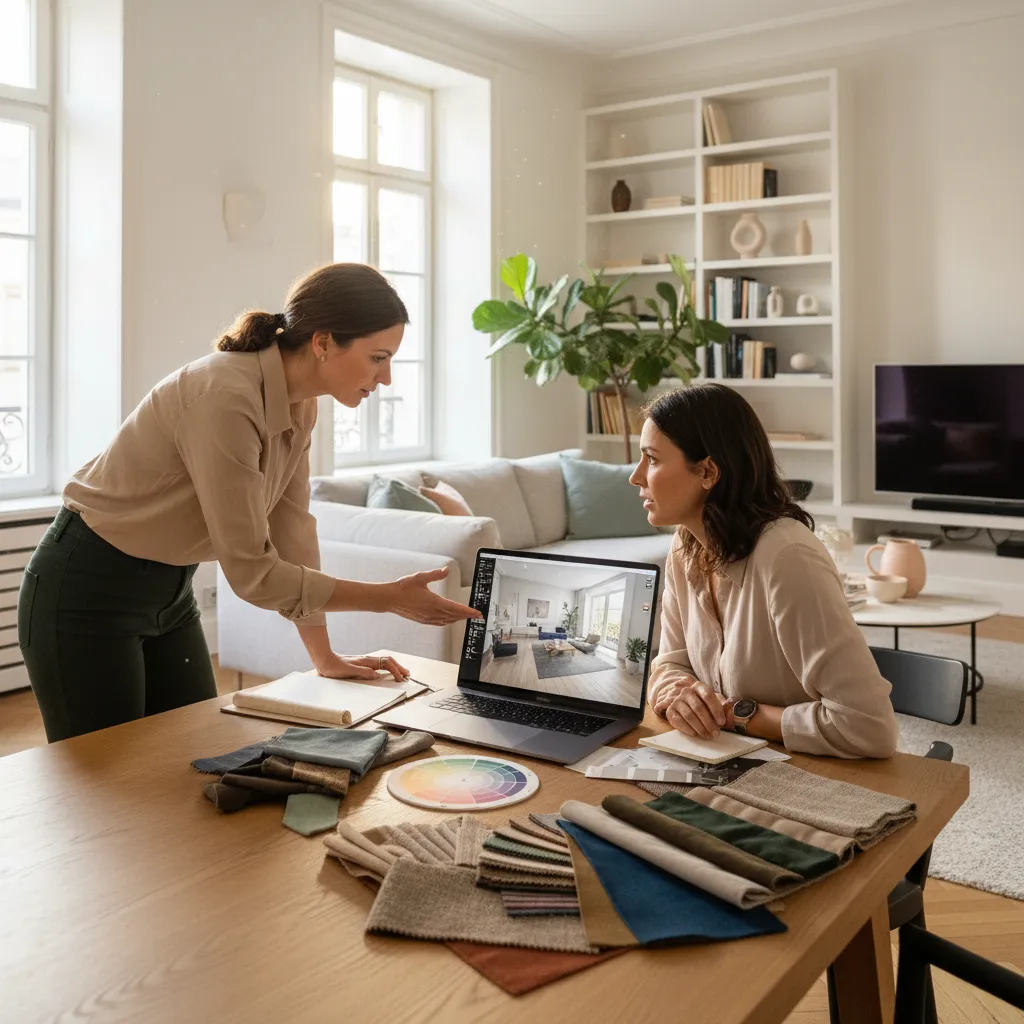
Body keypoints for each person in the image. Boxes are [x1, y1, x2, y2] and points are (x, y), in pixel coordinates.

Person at [19, 263, 481, 742]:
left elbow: (294, 531)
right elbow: (252, 572)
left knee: (191, 758)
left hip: (169, 591)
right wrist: (388, 600)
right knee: (104, 784)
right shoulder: (224, 396)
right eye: (377, 358)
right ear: (323, 342)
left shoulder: (303, 403)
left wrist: (325, 658)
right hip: (86, 588)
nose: (385, 379)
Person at [629, 383, 898, 759]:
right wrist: (679, 695)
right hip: (721, 763)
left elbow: (870, 727)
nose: (636, 476)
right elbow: (669, 663)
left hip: (805, 776)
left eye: (652, 459)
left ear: (708, 471)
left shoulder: (788, 557)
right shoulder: (685, 545)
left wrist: (734, 715)